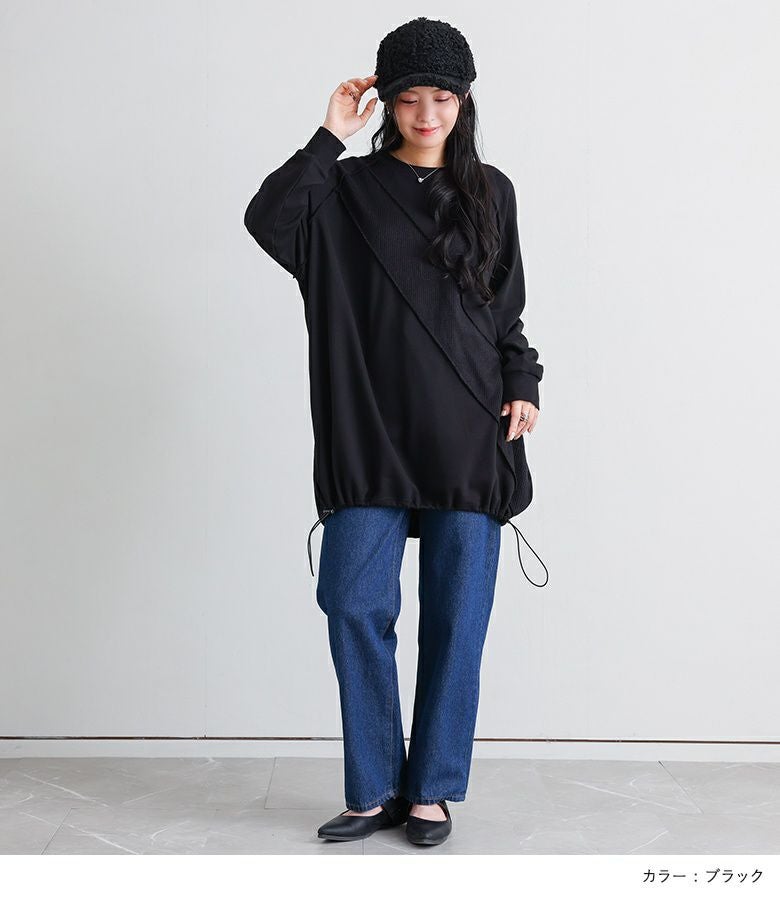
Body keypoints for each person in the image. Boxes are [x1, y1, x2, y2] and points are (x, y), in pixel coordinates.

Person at [244, 17, 548, 847]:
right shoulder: (342, 191)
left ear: (464, 102)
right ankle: (374, 786)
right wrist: (329, 136)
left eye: (442, 97)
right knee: (351, 600)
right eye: (409, 97)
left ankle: (432, 790)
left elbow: (506, 312)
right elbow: (267, 220)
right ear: (386, 101)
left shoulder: (491, 193)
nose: (426, 114)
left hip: (467, 431)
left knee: (457, 619)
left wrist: (521, 383)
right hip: (367, 430)